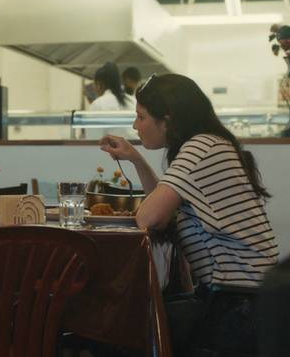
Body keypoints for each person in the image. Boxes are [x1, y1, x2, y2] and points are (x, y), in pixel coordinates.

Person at [99, 73, 279, 356]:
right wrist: (135, 158)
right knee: (123, 323)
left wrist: (138, 164)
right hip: (248, 300)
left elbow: (149, 218)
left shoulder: (201, 148)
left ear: (167, 120)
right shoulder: (210, 144)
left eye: (141, 117)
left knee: (116, 328)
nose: (136, 126)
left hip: (237, 308)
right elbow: (165, 211)